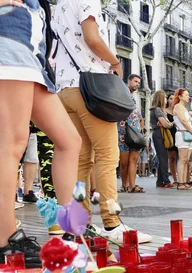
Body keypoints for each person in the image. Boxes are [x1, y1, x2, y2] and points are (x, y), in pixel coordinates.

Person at [53, 0, 152, 244]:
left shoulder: (61, 5)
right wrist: (116, 62)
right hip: (92, 89)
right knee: (108, 158)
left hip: (66, 89)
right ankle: (112, 223)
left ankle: (79, 225)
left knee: (81, 161)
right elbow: (92, 38)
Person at [0, 0, 83, 265]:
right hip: (10, 42)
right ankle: (5, 240)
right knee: (12, 144)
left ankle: (71, 230)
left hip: (31, 55)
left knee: (69, 141)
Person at [117, 74, 145, 193]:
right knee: (124, 162)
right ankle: (124, 185)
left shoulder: (135, 97)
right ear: (128, 81)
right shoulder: (122, 93)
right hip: (123, 131)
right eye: (135, 81)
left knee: (133, 160)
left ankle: (132, 185)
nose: (137, 84)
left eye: (138, 82)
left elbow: (139, 116)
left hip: (135, 132)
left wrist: (142, 131)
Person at [172, 88, 192, 190]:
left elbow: (188, 121)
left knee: (186, 160)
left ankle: (184, 181)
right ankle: (181, 182)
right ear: (180, 96)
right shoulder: (178, 107)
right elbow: (183, 120)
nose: (188, 97)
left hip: (187, 134)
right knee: (182, 160)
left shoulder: (184, 108)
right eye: (186, 95)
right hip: (182, 134)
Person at [150, 90, 174, 188]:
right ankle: (165, 180)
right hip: (159, 133)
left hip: (158, 133)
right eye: (164, 97)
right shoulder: (158, 110)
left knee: (162, 157)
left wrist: (167, 123)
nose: (166, 99)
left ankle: (160, 181)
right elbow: (165, 124)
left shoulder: (156, 110)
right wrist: (171, 124)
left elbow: (165, 123)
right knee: (163, 157)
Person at [165, 93, 179, 184]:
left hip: (179, 134)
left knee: (182, 157)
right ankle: (175, 178)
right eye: (170, 98)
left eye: (174, 99)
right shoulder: (165, 111)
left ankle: (183, 177)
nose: (172, 100)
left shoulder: (178, 110)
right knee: (172, 157)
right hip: (170, 134)